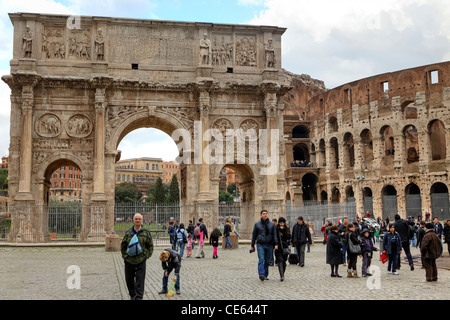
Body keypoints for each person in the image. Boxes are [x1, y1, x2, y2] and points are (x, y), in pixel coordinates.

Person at [121, 213, 154, 300]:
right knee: (129, 279)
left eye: (139, 219)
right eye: (136, 219)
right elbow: (123, 245)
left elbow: (150, 245)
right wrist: (125, 256)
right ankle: (133, 295)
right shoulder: (128, 233)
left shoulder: (146, 232)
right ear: (133, 221)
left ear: (142, 221)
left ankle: (139, 297)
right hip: (129, 260)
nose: (138, 220)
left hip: (141, 259)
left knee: (140, 280)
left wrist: (146, 256)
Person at [250, 209, 278, 281]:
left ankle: (265, 275)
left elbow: (274, 235)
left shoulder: (272, 224)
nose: (265, 215)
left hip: (269, 244)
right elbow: (254, 235)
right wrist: (252, 245)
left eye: (266, 213)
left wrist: (276, 244)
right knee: (261, 259)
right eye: (263, 214)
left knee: (267, 261)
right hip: (260, 244)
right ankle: (261, 274)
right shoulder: (257, 224)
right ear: (261, 215)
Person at [274, 217, 291, 281]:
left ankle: (283, 273)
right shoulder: (276, 229)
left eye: (282, 223)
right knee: (280, 261)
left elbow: (289, 237)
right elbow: (274, 237)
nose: (281, 224)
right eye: (280, 223)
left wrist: (283, 231)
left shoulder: (287, 229)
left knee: (284, 261)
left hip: (285, 247)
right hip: (278, 247)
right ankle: (281, 275)